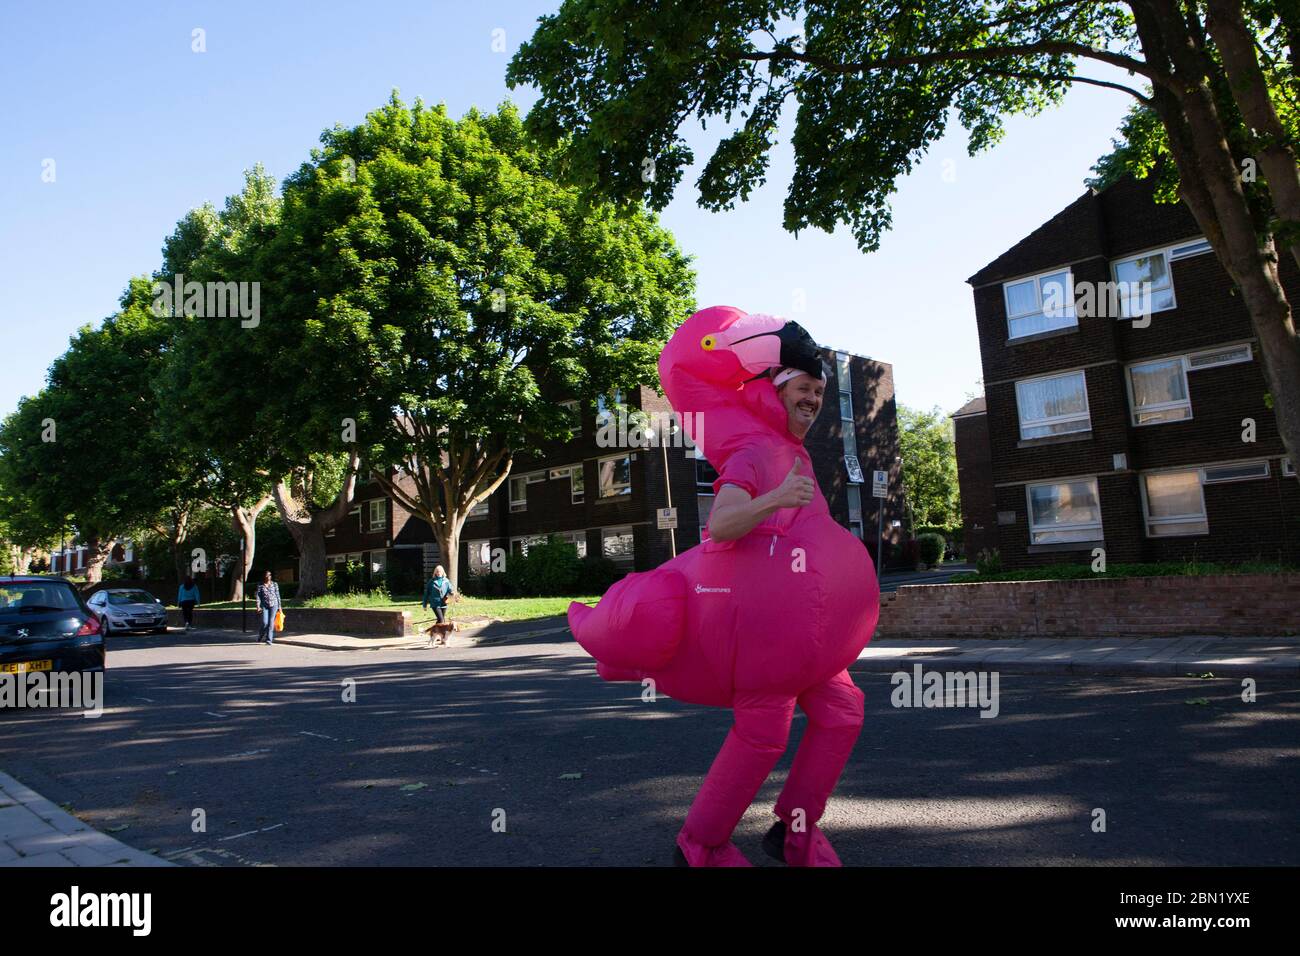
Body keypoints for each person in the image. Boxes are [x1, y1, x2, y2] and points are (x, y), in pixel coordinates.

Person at [566, 306, 879, 867]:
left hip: (808, 645)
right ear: (775, 391)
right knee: (766, 729)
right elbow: (722, 526)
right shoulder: (756, 452)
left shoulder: (794, 452)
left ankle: (794, 830)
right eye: (802, 388)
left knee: (844, 710)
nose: (812, 398)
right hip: (758, 645)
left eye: (818, 392)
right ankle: (702, 843)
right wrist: (775, 500)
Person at [255, 571, 282, 645]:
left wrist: (280, 607)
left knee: (271, 622)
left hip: (274, 605)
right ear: (264, 577)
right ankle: (261, 635)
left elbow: (278, 596)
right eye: (266, 576)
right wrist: (258, 606)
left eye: (269, 575)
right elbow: (258, 596)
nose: (268, 577)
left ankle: (269, 640)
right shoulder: (260, 585)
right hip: (264, 605)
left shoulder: (275, 584)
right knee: (264, 623)